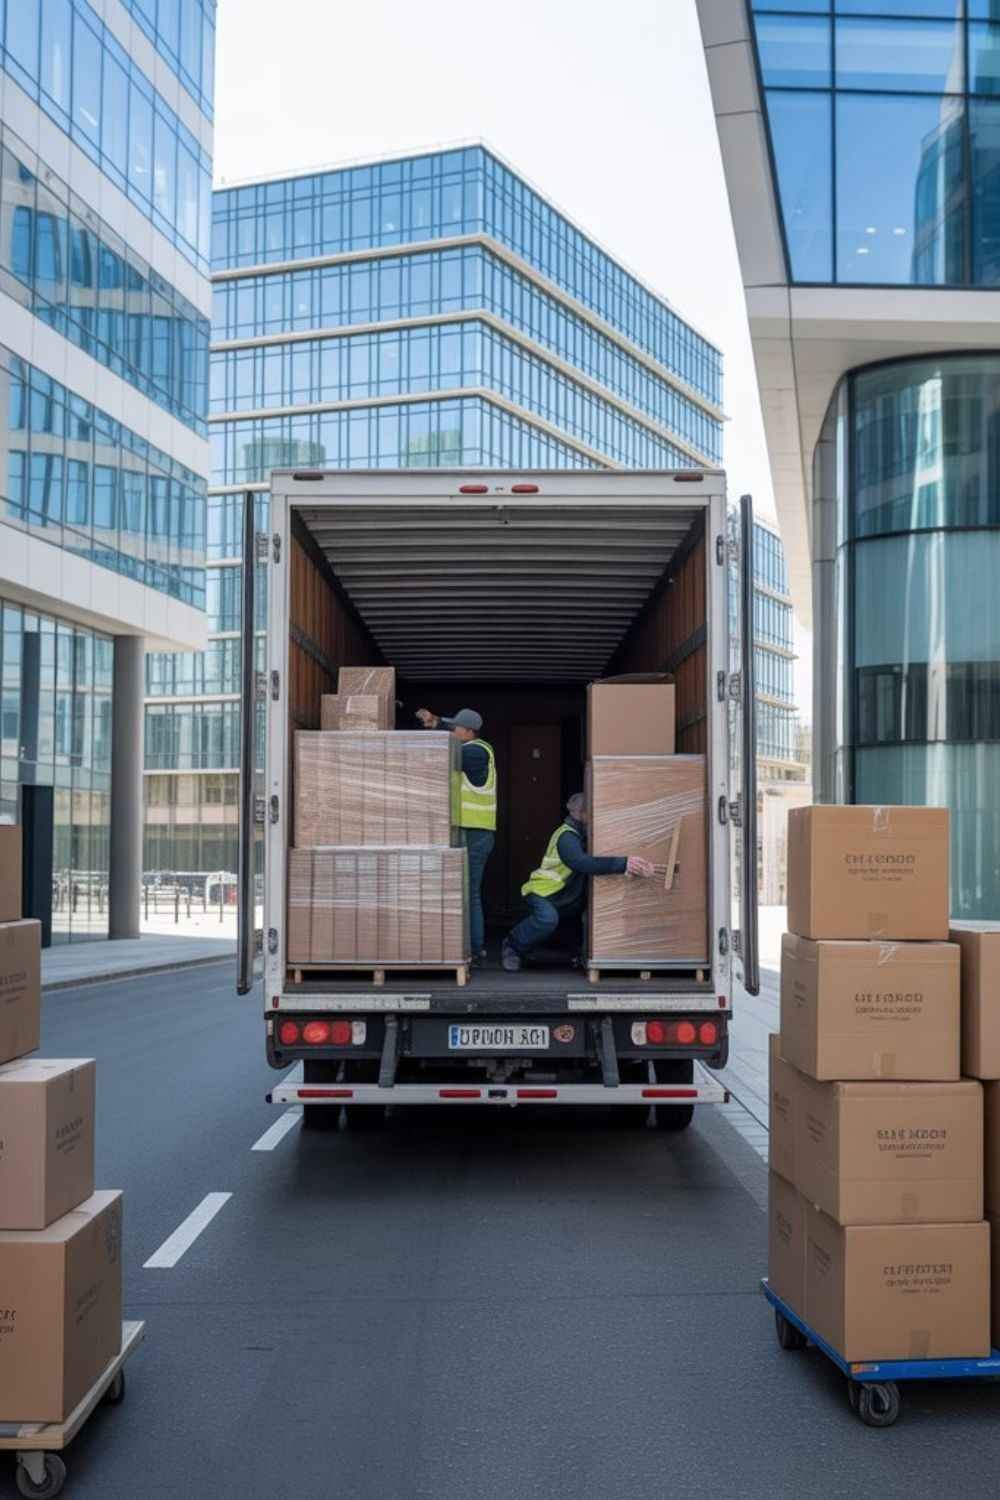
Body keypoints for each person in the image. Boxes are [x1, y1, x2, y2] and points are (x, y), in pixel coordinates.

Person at [501, 792, 654, 972]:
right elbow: (582, 863)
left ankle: (566, 951)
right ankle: (512, 946)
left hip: (564, 896)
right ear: (582, 814)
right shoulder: (567, 836)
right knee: (547, 919)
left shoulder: (583, 835)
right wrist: (624, 863)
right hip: (542, 892)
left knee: (577, 918)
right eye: (591, 813)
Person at [416, 706, 496, 963]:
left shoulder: (476, 752)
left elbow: (442, 756)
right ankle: (472, 945)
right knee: (464, 890)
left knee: (469, 892)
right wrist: (436, 721)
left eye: (456, 728)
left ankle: (474, 947)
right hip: (470, 832)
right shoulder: (471, 746)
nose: (453, 731)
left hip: (476, 834)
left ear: (470, 732)